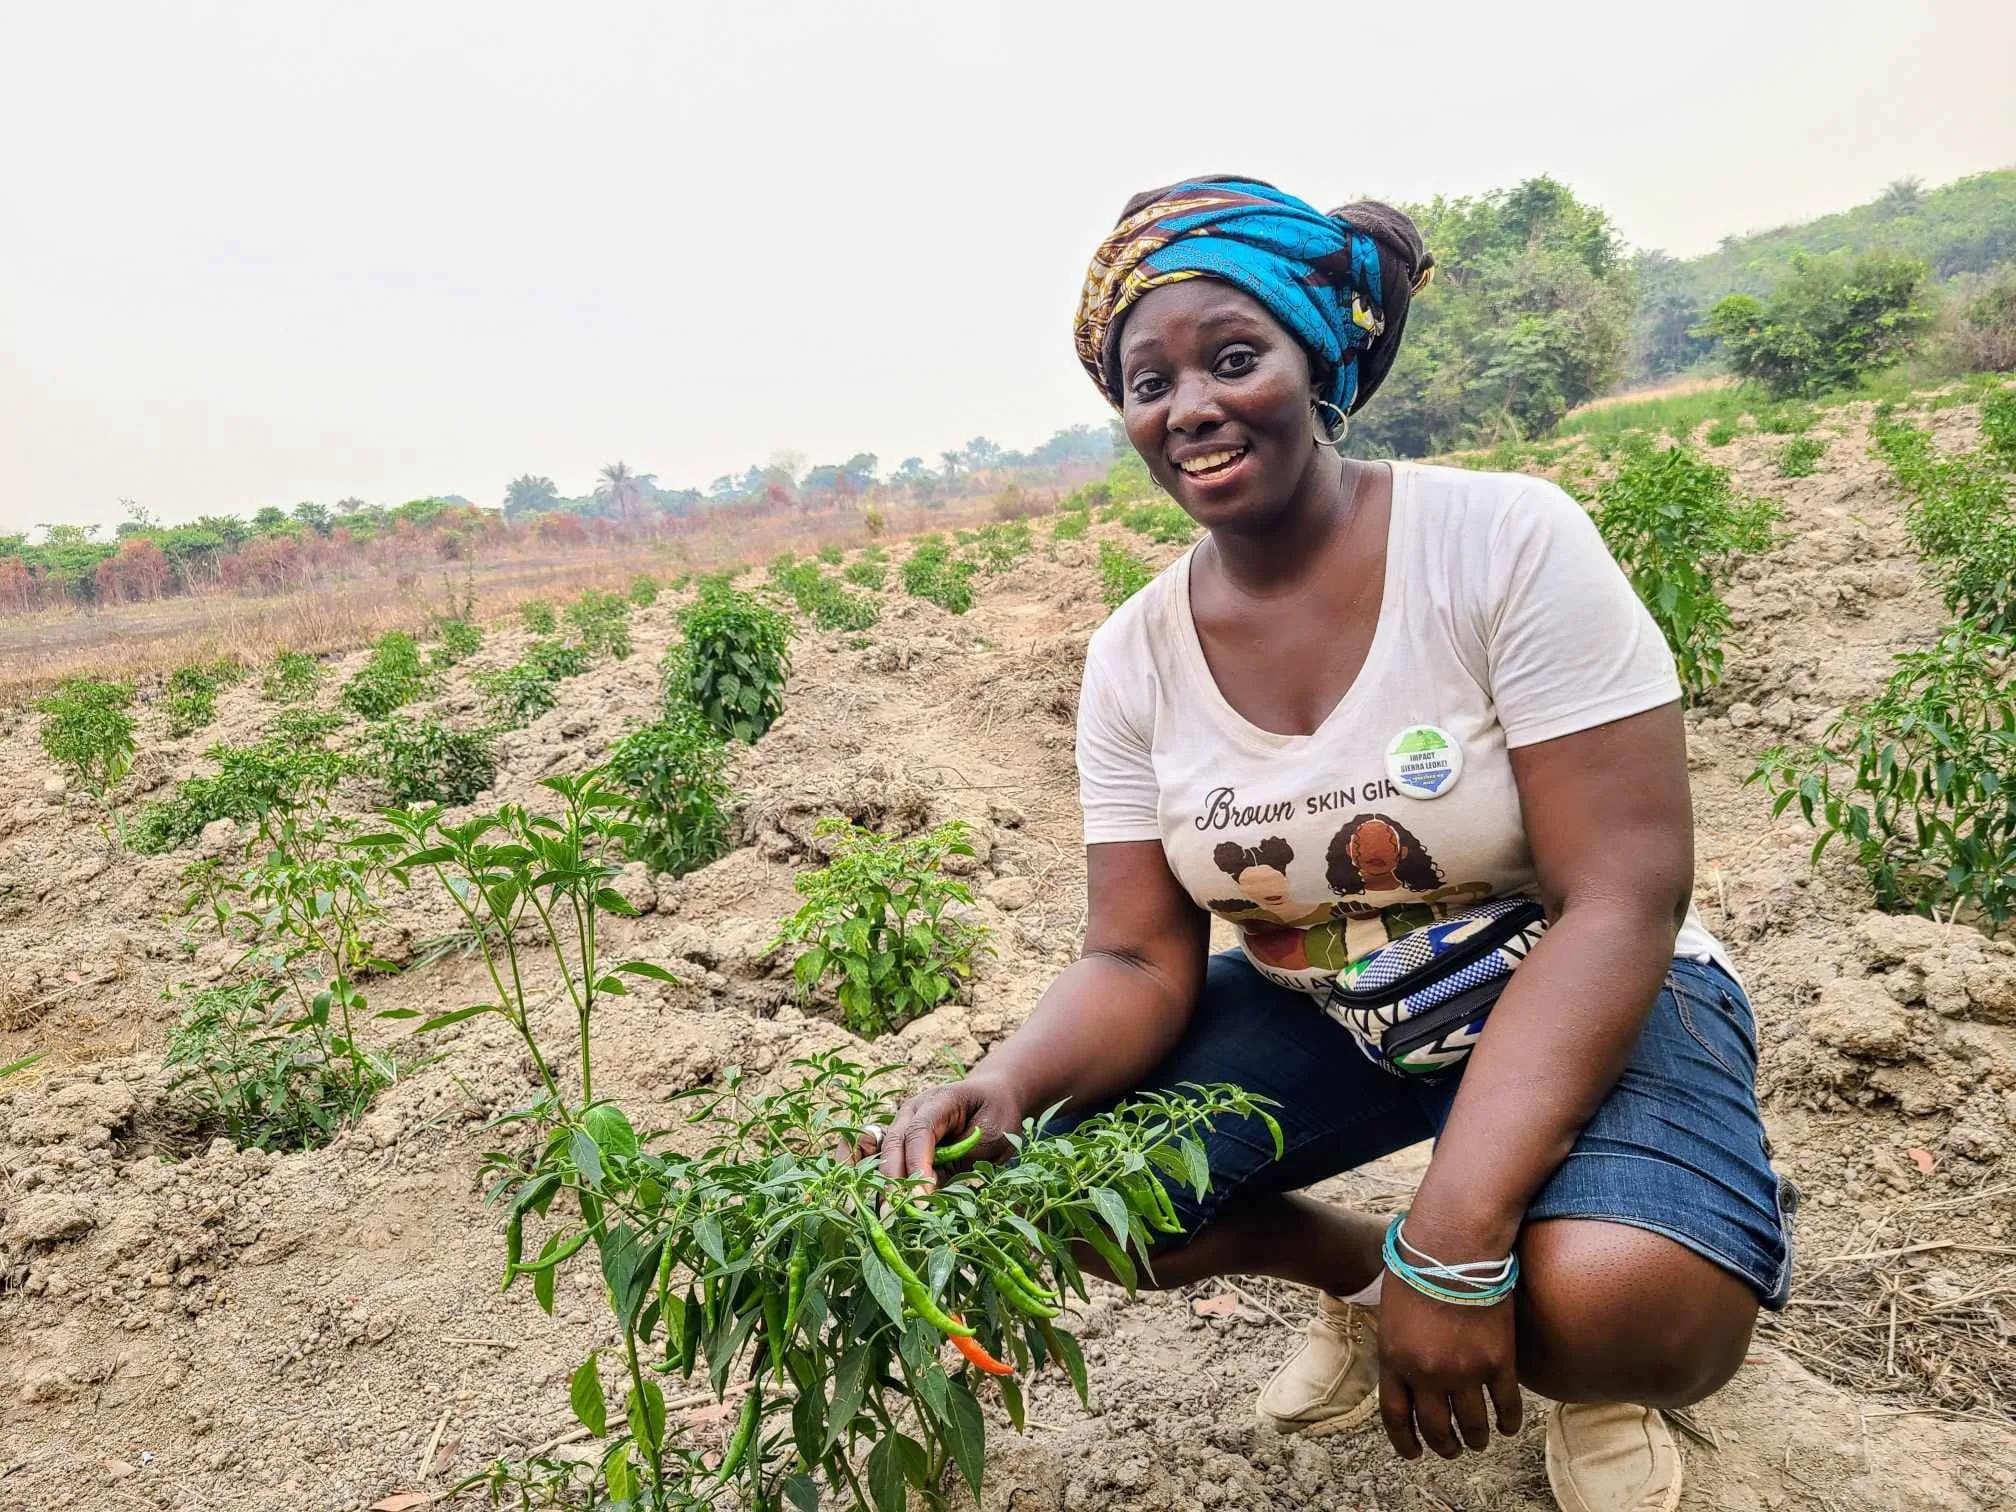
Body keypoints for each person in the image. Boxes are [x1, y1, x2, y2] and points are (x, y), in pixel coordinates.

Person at [866, 177, 1793, 1512]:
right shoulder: (1135, 657)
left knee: (1625, 1304)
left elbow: (1622, 895)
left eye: (1233, 359)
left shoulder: (1502, 542)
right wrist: (1005, 1083)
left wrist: (1462, 1245)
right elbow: (1133, 956)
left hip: (1578, 981)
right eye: (1146, 382)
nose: (1187, 406)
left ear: (1319, 365)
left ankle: (1596, 1358)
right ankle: (1362, 1283)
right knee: (1078, 1191)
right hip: (1340, 1011)